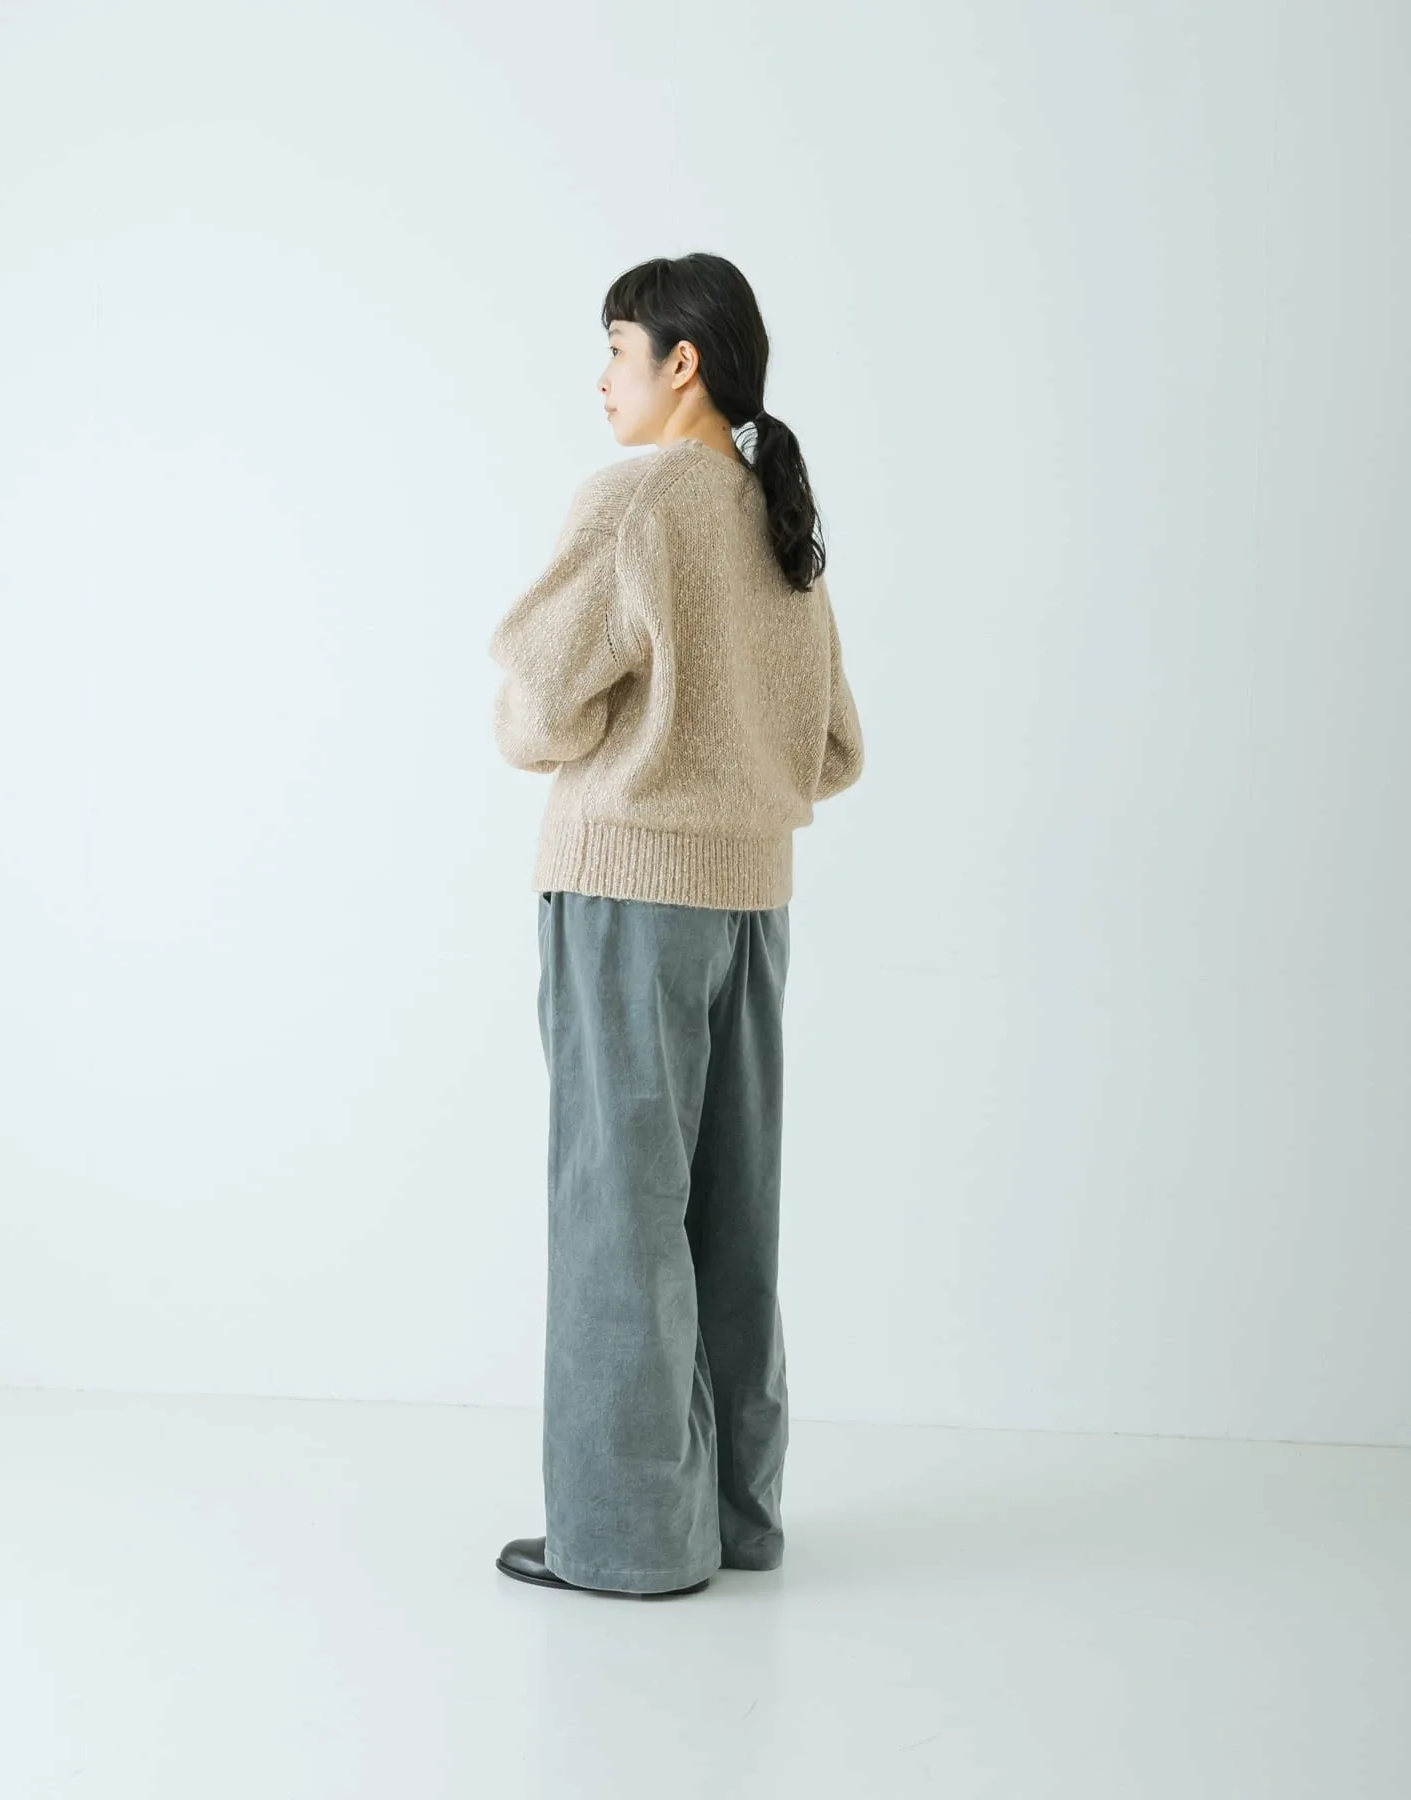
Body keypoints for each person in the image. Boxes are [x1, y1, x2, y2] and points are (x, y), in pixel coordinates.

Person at [487, 252, 865, 1599]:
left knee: (618, 1214)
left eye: (617, 347)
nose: (603, 377)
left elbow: (533, 709)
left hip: (628, 895)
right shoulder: (778, 519)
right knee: (728, 1219)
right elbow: (834, 748)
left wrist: (631, 744)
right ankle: (736, 1516)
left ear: (682, 362)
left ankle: (631, 1539)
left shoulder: (639, 500)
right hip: (751, 903)